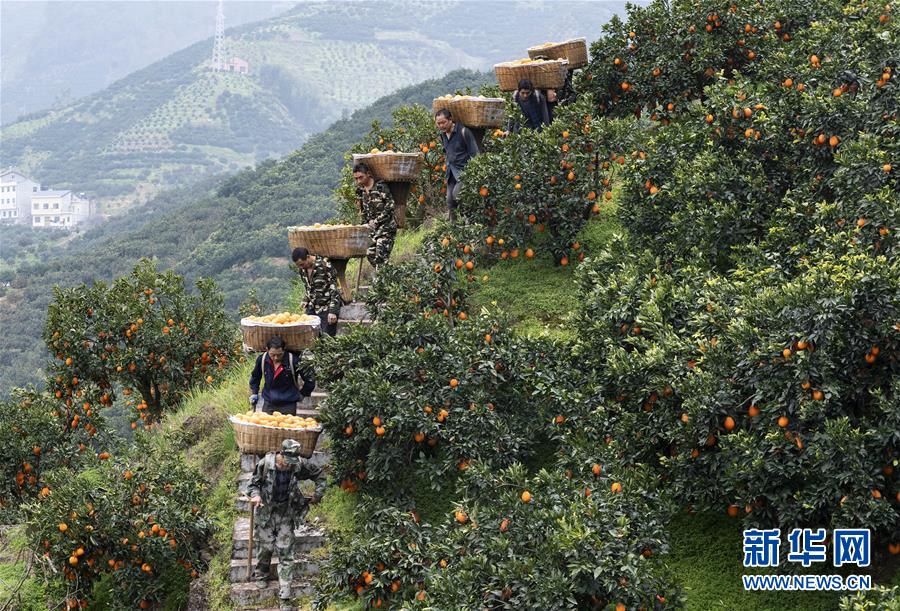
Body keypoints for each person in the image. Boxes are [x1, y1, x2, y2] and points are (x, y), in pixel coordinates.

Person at [247, 439, 326, 611]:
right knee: (265, 547)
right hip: (266, 512)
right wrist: (256, 495)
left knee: (286, 552)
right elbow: (253, 484)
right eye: (286, 462)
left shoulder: (298, 465)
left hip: (286, 512)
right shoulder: (265, 464)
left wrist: (318, 494)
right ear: (280, 454)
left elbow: (319, 474)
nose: (289, 466)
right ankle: (261, 574)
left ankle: (285, 595)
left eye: (292, 463)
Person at [248, 336, 315, 416]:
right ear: (267, 349)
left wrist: (303, 394)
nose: (276, 358)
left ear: (284, 350)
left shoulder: (293, 360)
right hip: (269, 403)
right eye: (272, 355)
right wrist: (254, 392)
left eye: (279, 355)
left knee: (286, 426)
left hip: (288, 404)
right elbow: (255, 377)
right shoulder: (262, 359)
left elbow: (310, 378)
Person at [435, 108, 479, 222]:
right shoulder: (443, 135)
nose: (441, 126)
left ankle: (470, 223)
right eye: (438, 123)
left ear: (450, 120)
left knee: (458, 195)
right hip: (451, 173)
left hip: (464, 173)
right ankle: (453, 230)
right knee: (450, 201)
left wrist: (473, 174)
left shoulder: (464, 132)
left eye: (443, 122)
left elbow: (475, 155)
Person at [352, 162, 397, 270]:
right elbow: (363, 211)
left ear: (368, 174)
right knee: (370, 253)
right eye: (356, 178)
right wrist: (364, 225)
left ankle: (382, 282)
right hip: (372, 231)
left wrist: (376, 221)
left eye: (361, 177)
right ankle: (393, 275)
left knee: (381, 256)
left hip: (386, 228)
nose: (359, 181)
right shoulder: (361, 191)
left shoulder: (380, 186)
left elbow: (390, 206)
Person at [291, 247, 342, 337]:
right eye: (298, 265)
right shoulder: (303, 270)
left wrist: (333, 311)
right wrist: (305, 299)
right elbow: (309, 287)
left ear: (308, 257)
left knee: (327, 339)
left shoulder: (325, 266)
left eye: (302, 264)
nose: (300, 267)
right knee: (308, 336)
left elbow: (335, 289)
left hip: (327, 308)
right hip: (312, 307)